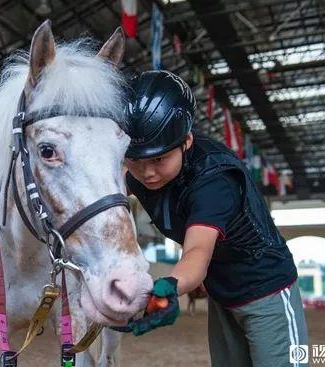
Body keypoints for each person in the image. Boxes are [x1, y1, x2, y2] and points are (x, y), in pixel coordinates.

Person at [120, 70, 309, 367]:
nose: (148, 173)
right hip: (222, 293)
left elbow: (197, 250)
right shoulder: (136, 172)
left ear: (187, 141)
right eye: (135, 160)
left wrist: (168, 287)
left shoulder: (214, 179)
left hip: (267, 289)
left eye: (158, 159)